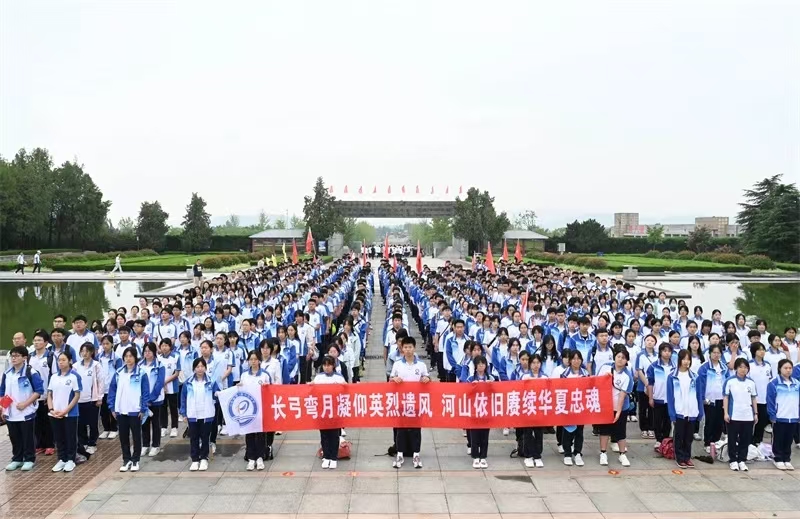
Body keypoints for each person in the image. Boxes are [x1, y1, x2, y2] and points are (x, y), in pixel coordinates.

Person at [389, 336, 431, 469]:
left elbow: (427, 377)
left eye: (410, 347)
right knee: (400, 429)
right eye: (405, 347)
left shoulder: (421, 365)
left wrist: (427, 379)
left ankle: (416, 454)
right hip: (401, 403)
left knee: (416, 430)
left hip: (415, 403)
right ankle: (400, 454)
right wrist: (394, 379)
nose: (408, 350)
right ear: (402, 348)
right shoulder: (397, 364)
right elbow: (390, 380)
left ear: (414, 348)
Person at [1, 346, 45, 471]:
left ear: (24, 358)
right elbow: (3, 392)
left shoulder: (31, 372)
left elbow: (39, 391)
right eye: (12, 356)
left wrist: (25, 403)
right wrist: (3, 408)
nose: (14, 358)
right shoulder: (7, 373)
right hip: (11, 412)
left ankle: (29, 459)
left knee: (27, 436)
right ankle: (17, 458)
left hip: (26, 411)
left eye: (17, 356)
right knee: (14, 436)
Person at [108, 346, 151, 472]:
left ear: (135, 358)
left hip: (135, 410)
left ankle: (135, 460)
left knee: (136, 436)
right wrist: (112, 407)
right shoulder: (118, 373)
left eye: (131, 356)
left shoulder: (141, 373)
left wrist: (143, 408)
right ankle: (126, 459)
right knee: (123, 436)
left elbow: (145, 392)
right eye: (126, 356)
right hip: (121, 409)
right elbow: (112, 390)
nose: (128, 359)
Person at [179, 357, 220, 472]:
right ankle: (195, 459)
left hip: (207, 414)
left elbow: (217, 395)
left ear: (205, 368)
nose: (200, 369)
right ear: (194, 369)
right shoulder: (188, 382)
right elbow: (183, 398)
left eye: (202, 366)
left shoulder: (211, 381)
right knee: (194, 437)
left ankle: (204, 458)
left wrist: (217, 396)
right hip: (193, 414)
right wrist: (183, 413)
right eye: (197, 367)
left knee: (205, 437)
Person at [667, 349, 704, 469]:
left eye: (688, 359)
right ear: (679, 360)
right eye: (684, 359)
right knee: (679, 436)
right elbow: (670, 396)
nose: (686, 362)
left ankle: (687, 457)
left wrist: (700, 411)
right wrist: (672, 413)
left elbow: (699, 395)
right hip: (679, 411)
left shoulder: (695, 377)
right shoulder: (672, 376)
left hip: (692, 411)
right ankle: (679, 457)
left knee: (688, 437)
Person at [597, 346, 633, 467]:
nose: (620, 359)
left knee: (620, 431)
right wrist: (605, 379)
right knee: (604, 431)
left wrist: (618, 412)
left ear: (626, 360)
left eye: (623, 358)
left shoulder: (627, 375)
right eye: (618, 356)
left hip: (620, 408)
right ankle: (603, 453)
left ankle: (622, 454)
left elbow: (622, 396)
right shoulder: (605, 367)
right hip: (605, 406)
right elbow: (596, 383)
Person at [47, 351, 82, 472]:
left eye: (63, 360)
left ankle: (71, 459)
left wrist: (65, 410)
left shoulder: (74, 376)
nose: (60, 362)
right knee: (59, 437)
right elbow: (49, 394)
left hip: (70, 413)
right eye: (59, 360)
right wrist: (51, 409)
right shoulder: (54, 377)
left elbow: (77, 395)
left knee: (70, 437)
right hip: (55, 413)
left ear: (70, 361)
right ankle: (62, 459)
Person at [723, 358, 758, 471]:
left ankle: (742, 460)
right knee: (732, 439)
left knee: (745, 439)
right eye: (741, 367)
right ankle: (733, 460)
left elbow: (753, 398)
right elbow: (726, 397)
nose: (743, 369)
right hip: (734, 415)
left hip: (747, 416)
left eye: (745, 367)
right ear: (736, 368)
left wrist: (755, 413)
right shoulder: (730, 381)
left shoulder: (751, 382)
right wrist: (726, 413)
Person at [311, 355, 346, 469]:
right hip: (322, 411)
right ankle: (326, 456)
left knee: (334, 435)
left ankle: (333, 457)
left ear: (333, 366)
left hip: (335, 411)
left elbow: (346, 390)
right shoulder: (318, 378)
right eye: (325, 365)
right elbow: (312, 390)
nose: (326, 367)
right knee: (324, 435)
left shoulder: (339, 378)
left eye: (329, 365)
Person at [240, 350, 270, 470]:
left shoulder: (265, 375)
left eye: (255, 359)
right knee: (250, 433)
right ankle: (251, 457)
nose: (253, 361)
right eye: (251, 359)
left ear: (259, 360)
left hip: (261, 408)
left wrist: (267, 387)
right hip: (248, 409)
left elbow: (270, 391)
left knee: (261, 434)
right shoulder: (244, 375)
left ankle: (260, 457)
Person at [767, 359, 798, 470]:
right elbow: (770, 400)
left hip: (793, 416)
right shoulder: (774, 383)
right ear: (780, 369)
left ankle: (787, 458)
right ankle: (778, 458)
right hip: (780, 416)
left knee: (789, 439)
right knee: (779, 438)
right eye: (785, 368)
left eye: (790, 368)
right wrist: (772, 415)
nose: (788, 370)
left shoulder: (797, 383)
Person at [697, 343, 727, 453]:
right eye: (714, 352)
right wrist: (702, 398)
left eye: (718, 353)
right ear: (709, 354)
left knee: (719, 422)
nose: (716, 355)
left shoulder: (724, 367)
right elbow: (700, 384)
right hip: (709, 399)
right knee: (710, 422)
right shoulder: (704, 368)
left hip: (722, 399)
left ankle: (716, 442)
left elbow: (727, 382)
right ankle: (708, 442)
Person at [560, 349, 588, 466]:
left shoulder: (585, 373)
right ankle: (567, 453)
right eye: (574, 359)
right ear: (570, 360)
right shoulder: (565, 374)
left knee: (579, 431)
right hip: (568, 406)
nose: (576, 361)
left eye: (578, 359)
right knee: (568, 431)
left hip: (580, 406)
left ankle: (577, 453)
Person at [74, 343, 102, 455]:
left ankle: (92, 443)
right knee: (80, 423)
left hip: (92, 399)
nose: (84, 353)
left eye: (87, 351)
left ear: (91, 352)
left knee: (93, 422)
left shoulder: (96, 365)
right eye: (82, 351)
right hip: (79, 399)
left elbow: (101, 381)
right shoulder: (76, 366)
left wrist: (99, 397)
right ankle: (83, 442)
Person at [466, 355, 493, 469]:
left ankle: (483, 456)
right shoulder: (470, 379)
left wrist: (491, 386)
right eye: (479, 364)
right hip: (474, 411)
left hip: (486, 411)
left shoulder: (490, 378)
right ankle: (475, 457)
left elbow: (496, 393)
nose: (481, 366)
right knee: (474, 435)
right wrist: (473, 387)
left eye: (483, 364)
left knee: (485, 436)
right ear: (475, 366)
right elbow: (465, 393)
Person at [140, 342, 165, 456]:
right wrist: (144, 399)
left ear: (154, 352)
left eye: (149, 351)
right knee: (144, 423)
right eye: (145, 351)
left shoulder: (160, 365)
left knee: (156, 423)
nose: (147, 353)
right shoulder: (139, 365)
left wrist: (151, 398)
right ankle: (145, 445)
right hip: (143, 400)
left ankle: (156, 445)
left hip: (156, 399)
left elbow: (159, 383)